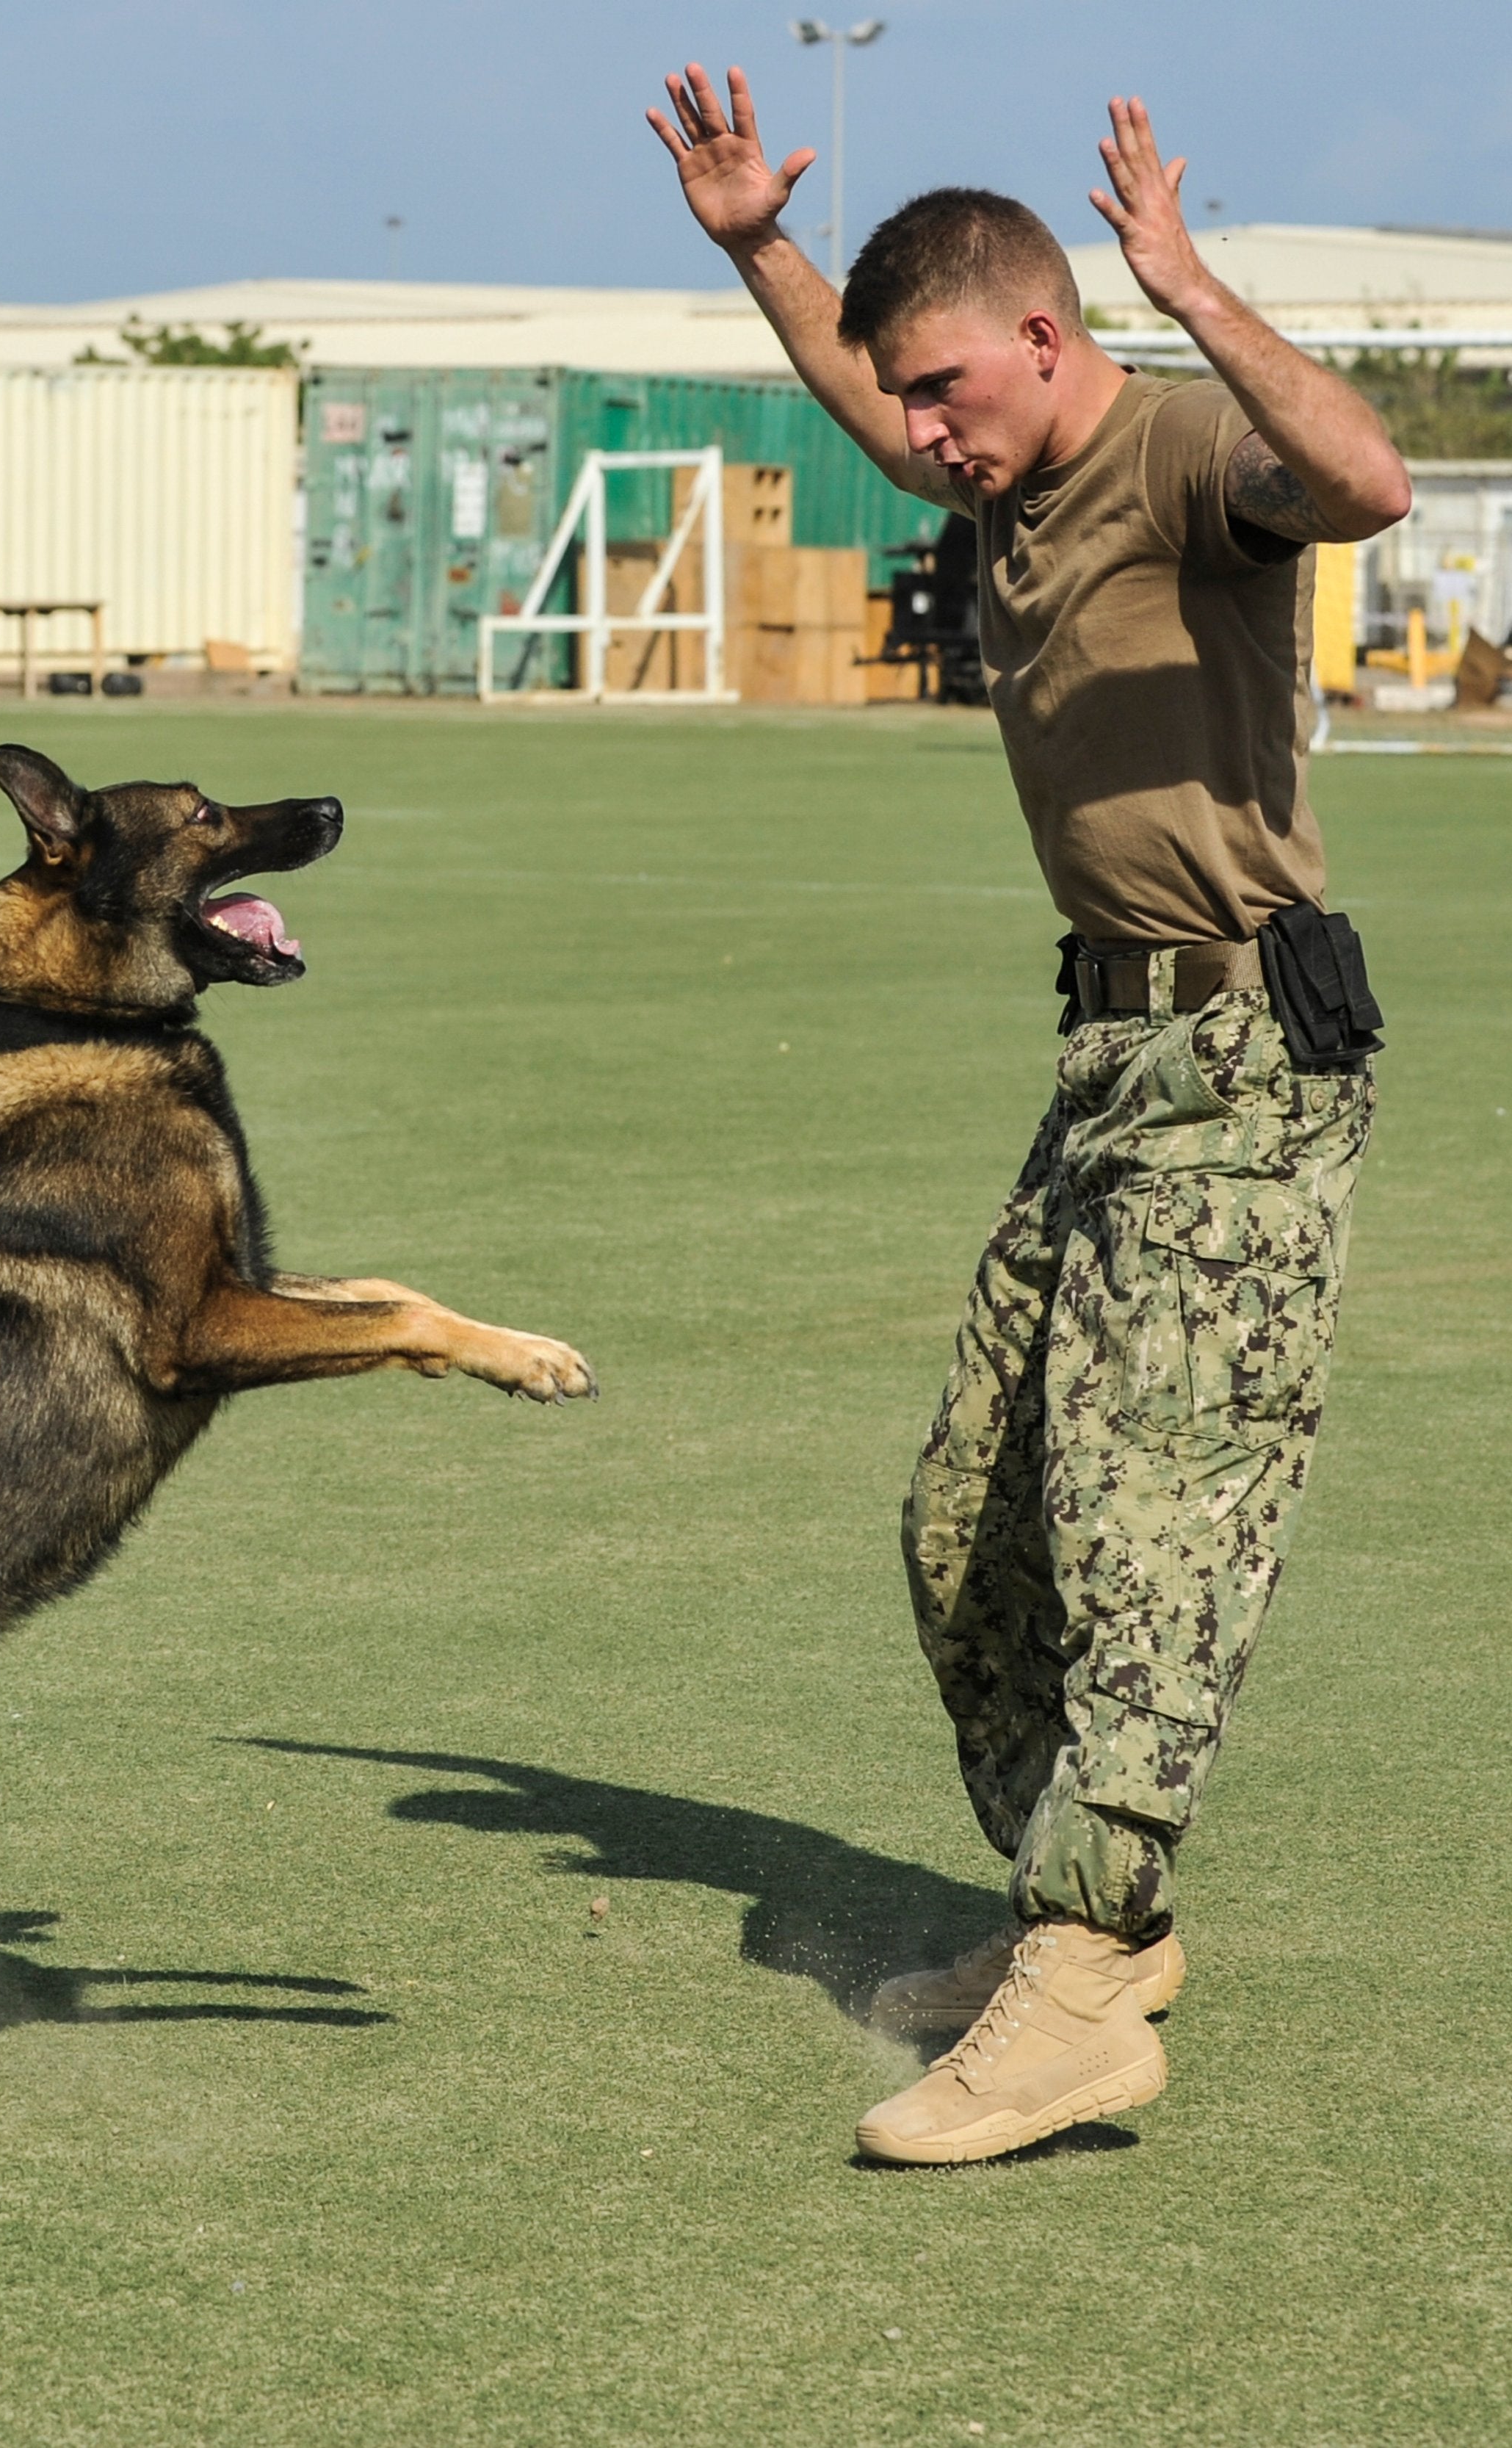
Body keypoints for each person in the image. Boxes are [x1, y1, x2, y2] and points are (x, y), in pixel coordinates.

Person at [650, 73, 1408, 2165]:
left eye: (949, 393)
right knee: (967, 1522)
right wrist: (753, 244)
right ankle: (1107, 1910)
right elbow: (860, 367)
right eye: (911, 400)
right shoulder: (999, 482)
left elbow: (1367, 477)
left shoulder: (1175, 447)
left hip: (1246, 1063)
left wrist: (1193, 285)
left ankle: (1076, 1975)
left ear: (1056, 339)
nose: (921, 434)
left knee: (1148, 1525)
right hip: (1106, 1069)